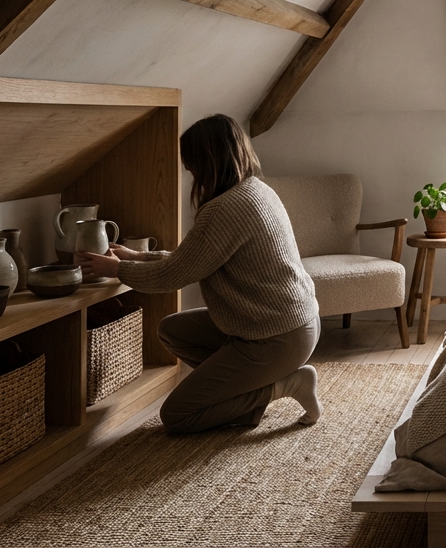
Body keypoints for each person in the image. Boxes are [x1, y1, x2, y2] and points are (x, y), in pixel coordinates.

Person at [78, 114, 322, 433]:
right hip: (288, 323)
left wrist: (118, 269)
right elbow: (193, 258)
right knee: (173, 330)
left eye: (192, 167)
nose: (191, 175)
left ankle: (286, 384)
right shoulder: (255, 190)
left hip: (276, 337)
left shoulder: (225, 209)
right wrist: (137, 255)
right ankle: (243, 398)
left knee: (178, 415)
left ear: (207, 162)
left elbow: (173, 275)